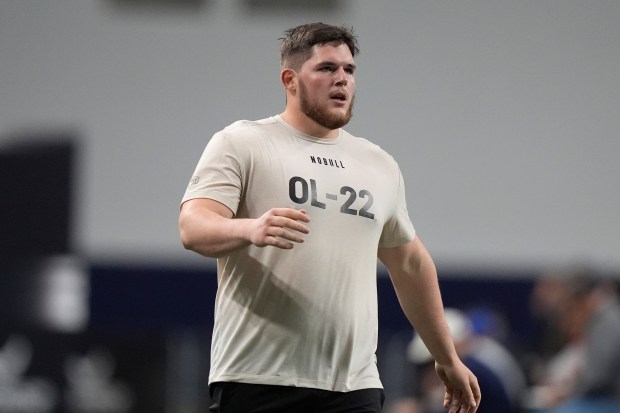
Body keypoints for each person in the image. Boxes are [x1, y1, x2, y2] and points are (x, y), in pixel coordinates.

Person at [178, 22, 480, 413]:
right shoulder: (243, 142)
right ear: (290, 79)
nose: (342, 80)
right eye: (326, 69)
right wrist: (249, 228)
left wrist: (446, 357)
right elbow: (192, 226)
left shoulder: (378, 164)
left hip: (354, 387)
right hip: (258, 380)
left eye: (349, 71)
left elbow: (411, 263)